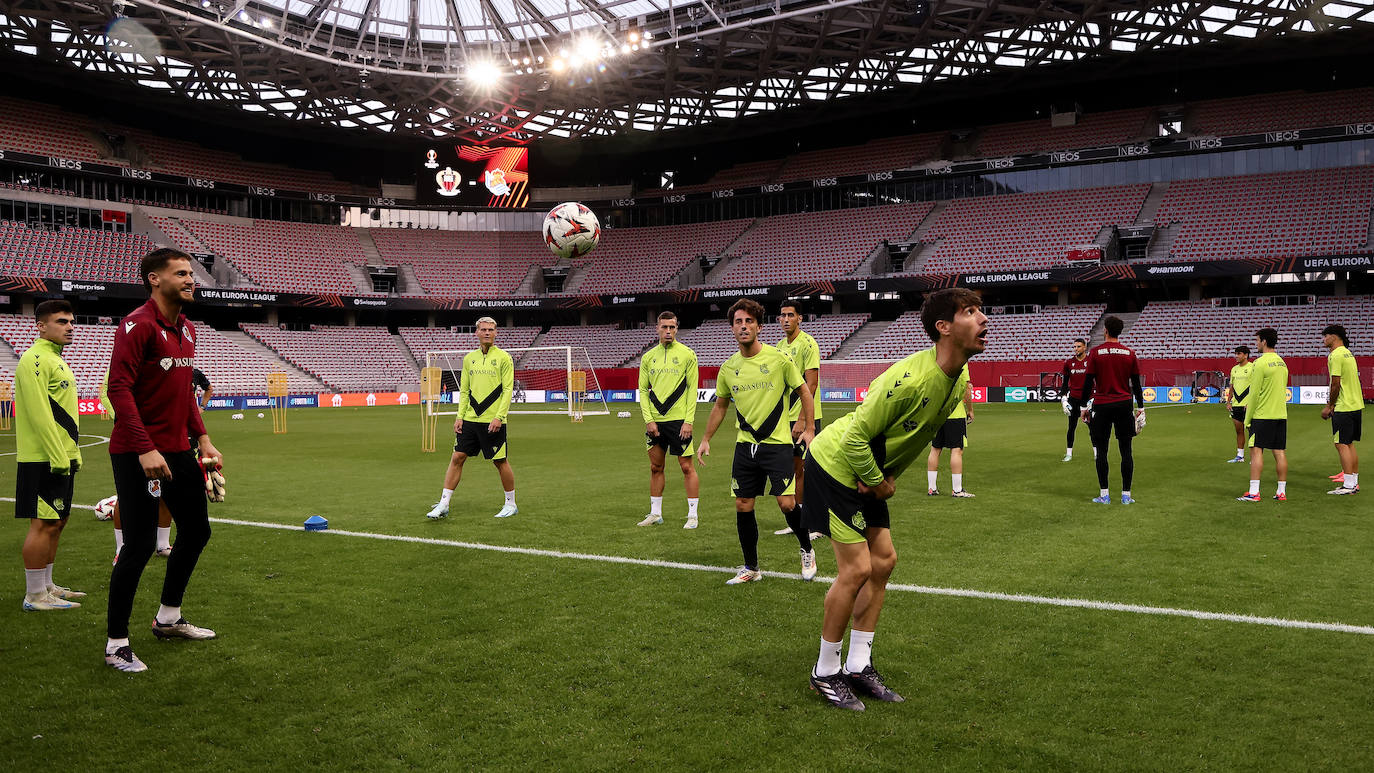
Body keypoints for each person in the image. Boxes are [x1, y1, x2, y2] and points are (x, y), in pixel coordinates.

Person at [805, 288, 986, 711]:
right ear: (944, 328)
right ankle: (824, 672)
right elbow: (853, 437)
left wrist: (882, 478)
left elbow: (907, 437)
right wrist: (878, 481)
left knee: (884, 562)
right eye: (970, 312)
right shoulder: (911, 379)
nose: (983, 319)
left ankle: (858, 665)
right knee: (857, 569)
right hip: (835, 466)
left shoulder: (957, 377)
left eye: (980, 310)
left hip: (867, 473)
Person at [105, 248, 225, 673]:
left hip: (178, 450)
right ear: (155, 279)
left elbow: (185, 397)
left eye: (191, 273)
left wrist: (204, 440)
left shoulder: (188, 330)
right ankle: (116, 643)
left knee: (196, 531)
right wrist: (144, 448)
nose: (191, 279)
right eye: (181, 273)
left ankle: (168, 618)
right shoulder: (136, 325)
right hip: (137, 451)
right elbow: (118, 389)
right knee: (137, 546)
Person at [698, 298, 817, 584]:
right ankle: (751, 568)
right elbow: (721, 406)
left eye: (749, 321)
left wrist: (809, 428)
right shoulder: (728, 368)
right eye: (738, 322)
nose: (743, 326)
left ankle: (807, 549)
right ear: (732, 328)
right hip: (745, 446)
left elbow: (804, 391)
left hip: (776, 445)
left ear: (760, 327)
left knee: (787, 504)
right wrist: (705, 439)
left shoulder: (778, 359)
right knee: (742, 503)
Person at [14, 300, 85, 611]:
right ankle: (34, 595)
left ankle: (48, 586)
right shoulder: (35, 359)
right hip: (43, 457)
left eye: (71, 321)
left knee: (58, 521)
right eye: (61, 321)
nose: (69, 326)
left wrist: (73, 453)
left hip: (62, 456)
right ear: (41, 326)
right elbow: (39, 413)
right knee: (42, 523)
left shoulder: (57, 359)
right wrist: (58, 455)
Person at [426, 317, 517, 520]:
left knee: (500, 461)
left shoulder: (504, 358)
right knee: (457, 457)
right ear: (476, 332)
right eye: (483, 329)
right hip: (469, 419)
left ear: (496, 333)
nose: (487, 333)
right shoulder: (470, 359)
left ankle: (511, 504)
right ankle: (444, 504)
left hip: (493, 420)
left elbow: (508, 390)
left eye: (491, 330)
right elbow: (465, 390)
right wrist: (460, 416)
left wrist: (499, 417)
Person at [637, 311, 702, 528]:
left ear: (677, 328)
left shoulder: (688, 355)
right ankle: (656, 514)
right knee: (656, 467)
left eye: (672, 327)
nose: (668, 331)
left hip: (679, 420)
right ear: (657, 328)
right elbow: (643, 391)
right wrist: (649, 419)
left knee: (686, 467)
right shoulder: (648, 357)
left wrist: (689, 421)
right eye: (664, 327)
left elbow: (693, 389)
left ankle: (692, 515)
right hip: (655, 421)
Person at [1075, 316, 1144, 505]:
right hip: (1124, 404)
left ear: (1105, 330)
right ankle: (1126, 495)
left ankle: (1104, 495)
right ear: (1119, 331)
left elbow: (1088, 382)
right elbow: (1136, 384)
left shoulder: (1095, 353)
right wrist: (1141, 407)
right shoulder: (1130, 353)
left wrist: (1083, 407)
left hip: (1102, 405)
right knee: (1126, 451)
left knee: (1102, 451)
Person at [773, 300, 822, 535]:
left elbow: (810, 384)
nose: (785, 319)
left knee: (811, 470)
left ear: (799, 318)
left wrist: (803, 420)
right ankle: (801, 520)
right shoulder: (779, 346)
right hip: (786, 420)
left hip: (806, 419)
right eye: (782, 315)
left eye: (790, 315)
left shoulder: (808, 344)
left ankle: (819, 521)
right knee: (794, 470)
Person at [1238, 328, 1289, 502]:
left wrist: (1247, 418)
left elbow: (1254, 394)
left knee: (1256, 452)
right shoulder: (1282, 363)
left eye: (1258, 340)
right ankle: (1281, 492)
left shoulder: (1259, 363)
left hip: (1262, 415)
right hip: (1280, 415)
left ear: (1264, 341)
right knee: (1279, 452)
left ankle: (1254, 492)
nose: (1256, 344)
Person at [1321, 324, 1362, 495]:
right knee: (1349, 444)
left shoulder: (1335, 355)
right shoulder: (1348, 353)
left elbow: (1336, 383)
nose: (1323, 339)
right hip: (1356, 404)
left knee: (1340, 443)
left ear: (1334, 337)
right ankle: (1354, 482)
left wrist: (1330, 406)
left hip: (1343, 406)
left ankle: (1348, 485)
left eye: (1325, 336)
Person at [926, 383, 975, 497]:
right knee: (956, 450)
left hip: (937, 414)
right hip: (955, 415)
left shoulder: (937, 365)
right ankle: (957, 490)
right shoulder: (961, 367)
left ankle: (931, 488)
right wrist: (970, 410)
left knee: (935, 449)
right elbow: (967, 389)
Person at [1061, 338, 1090, 462]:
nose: (1076, 349)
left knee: (1092, 427)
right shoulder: (1069, 363)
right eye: (1074, 347)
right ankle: (1069, 454)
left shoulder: (1090, 362)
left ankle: (1096, 453)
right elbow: (1065, 383)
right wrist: (1063, 399)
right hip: (1073, 399)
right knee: (1071, 427)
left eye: (1078, 346)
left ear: (1085, 348)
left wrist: (1094, 398)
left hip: (1088, 399)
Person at [1223, 346, 1253, 463]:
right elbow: (1232, 387)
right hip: (1236, 405)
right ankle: (1240, 456)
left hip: (1248, 405)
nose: (1236, 356)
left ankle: (1254, 457)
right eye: (1235, 354)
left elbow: (1255, 387)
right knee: (1239, 431)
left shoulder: (1252, 368)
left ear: (1245, 355)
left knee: (1252, 431)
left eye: (1239, 354)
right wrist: (1229, 401)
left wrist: (1251, 402)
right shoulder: (1234, 369)